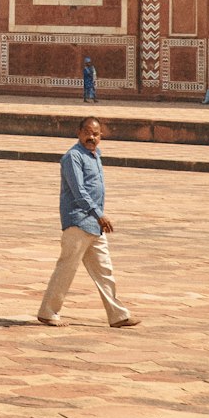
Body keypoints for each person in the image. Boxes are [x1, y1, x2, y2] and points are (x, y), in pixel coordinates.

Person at [37, 117, 139, 329]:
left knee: (104, 270)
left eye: (96, 134)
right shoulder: (73, 157)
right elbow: (79, 191)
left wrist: (98, 217)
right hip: (78, 221)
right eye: (87, 133)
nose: (91, 137)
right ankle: (48, 311)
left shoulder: (95, 156)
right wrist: (98, 214)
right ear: (78, 132)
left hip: (94, 224)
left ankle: (117, 315)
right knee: (67, 268)